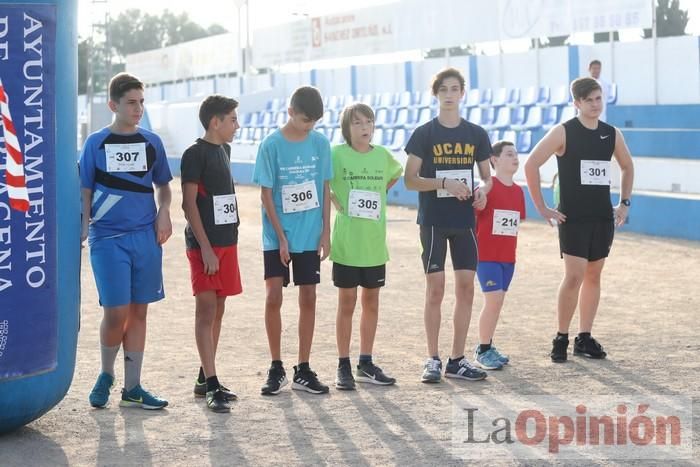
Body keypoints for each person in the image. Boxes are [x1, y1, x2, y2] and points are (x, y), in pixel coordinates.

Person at [524, 77, 634, 363]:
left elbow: (627, 166)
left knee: (594, 276)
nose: (595, 105)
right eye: (589, 100)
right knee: (573, 277)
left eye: (598, 99)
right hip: (572, 218)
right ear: (577, 103)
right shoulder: (563, 132)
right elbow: (531, 163)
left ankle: (584, 337)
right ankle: (561, 337)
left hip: (601, 217)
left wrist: (624, 203)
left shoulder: (611, 133)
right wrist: (543, 207)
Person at [81, 72, 172, 410]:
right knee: (116, 312)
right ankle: (106, 373)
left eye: (141, 102)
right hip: (107, 239)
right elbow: (85, 188)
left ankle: (133, 387)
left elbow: (163, 185)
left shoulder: (152, 142)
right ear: (113, 105)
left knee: (139, 312)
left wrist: (164, 210)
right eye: (131, 103)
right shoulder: (95, 143)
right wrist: (83, 226)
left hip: (146, 237)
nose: (138, 109)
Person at [404, 67, 492, 383]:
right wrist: (444, 182)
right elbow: (410, 180)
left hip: (464, 220)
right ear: (436, 94)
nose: (449, 94)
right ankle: (432, 358)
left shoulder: (476, 134)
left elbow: (487, 176)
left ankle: (457, 359)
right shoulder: (424, 134)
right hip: (433, 221)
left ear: (462, 93)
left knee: (467, 288)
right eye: (444, 89)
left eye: (455, 89)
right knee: (435, 290)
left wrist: (483, 190)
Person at [253, 86, 332, 395]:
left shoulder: (320, 144)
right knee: (274, 296)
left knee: (309, 297)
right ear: (290, 112)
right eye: (303, 120)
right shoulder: (271, 145)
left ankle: (303, 366)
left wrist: (326, 230)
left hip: (310, 233)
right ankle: (276, 366)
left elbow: (324, 187)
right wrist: (281, 237)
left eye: (313, 121)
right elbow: (265, 194)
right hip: (276, 235)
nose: (308, 126)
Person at [329, 103, 403, 390]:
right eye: (357, 123)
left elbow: (396, 173)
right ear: (347, 128)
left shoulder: (383, 155)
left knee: (371, 302)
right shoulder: (337, 155)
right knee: (346, 303)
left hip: (374, 245)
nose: (364, 128)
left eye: (368, 122)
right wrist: (336, 200)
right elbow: (323, 180)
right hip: (348, 244)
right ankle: (343, 364)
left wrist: (380, 192)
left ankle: (365, 362)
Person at [181, 95, 243, 413]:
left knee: (218, 310)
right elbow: (189, 204)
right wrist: (205, 247)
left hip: (227, 242)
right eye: (232, 119)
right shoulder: (194, 154)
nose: (237, 124)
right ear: (215, 121)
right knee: (206, 311)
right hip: (204, 246)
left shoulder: (226, 151)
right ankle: (213, 385)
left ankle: (206, 377)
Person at [473, 141, 526, 370]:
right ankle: (483, 350)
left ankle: (489, 344)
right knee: (493, 300)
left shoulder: (518, 191)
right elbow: (476, 212)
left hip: (508, 258)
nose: (515, 158)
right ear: (494, 160)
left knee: (498, 302)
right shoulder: (487, 187)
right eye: (509, 154)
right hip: (486, 256)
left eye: (516, 154)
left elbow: (516, 221)